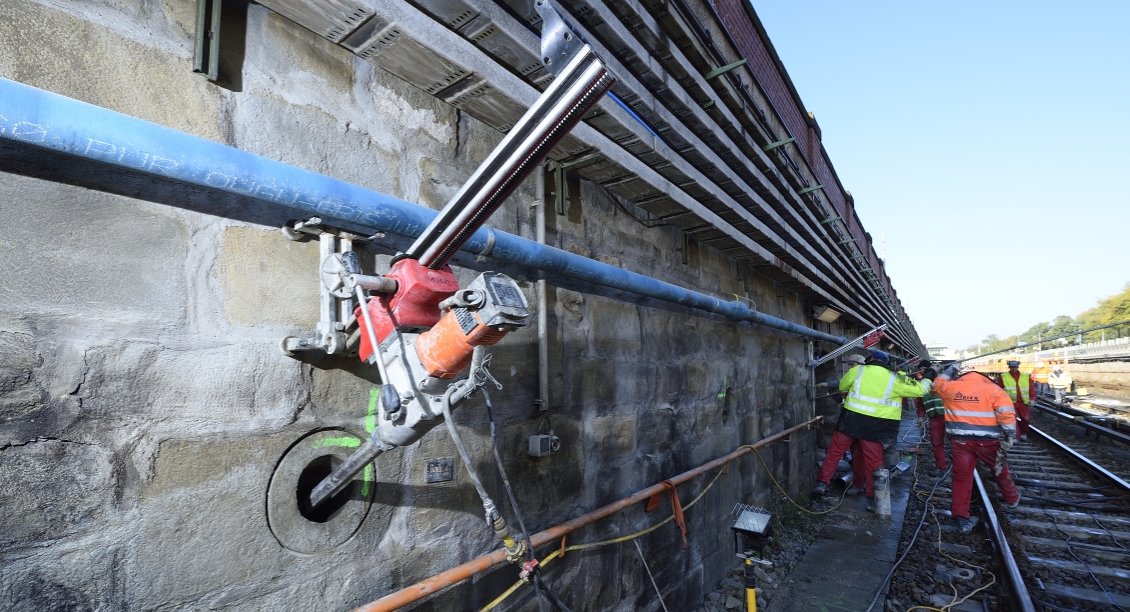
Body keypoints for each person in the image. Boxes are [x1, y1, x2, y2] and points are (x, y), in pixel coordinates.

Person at [812, 350, 925, 512]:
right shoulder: (896, 377)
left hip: (850, 421)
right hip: (875, 427)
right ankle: (873, 499)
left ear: (870, 359)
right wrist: (928, 376)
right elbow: (920, 390)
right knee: (874, 463)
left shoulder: (857, 371)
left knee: (834, 454)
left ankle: (822, 483)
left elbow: (843, 386)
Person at [932, 365, 1021, 533]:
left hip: (961, 442)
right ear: (983, 377)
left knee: (961, 478)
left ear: (963, 377)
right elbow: (1006, 414)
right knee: (1000, 470)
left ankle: (961, 517)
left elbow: (936, 384)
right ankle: (1012, 499)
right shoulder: (993, 389)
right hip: (988, 443)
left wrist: (948, 372)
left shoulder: (951, 387)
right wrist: (1009, 435)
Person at [914, 368, 947, 474]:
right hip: (935, 419)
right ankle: (941, 466)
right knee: (936, 443)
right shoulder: (922, 389)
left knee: (957, 443)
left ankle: (957, 466)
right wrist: (920, 417)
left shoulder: (944, 385)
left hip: (949, 417)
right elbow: (920, 405)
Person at [996, 360, 1035, 441]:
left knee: (1026, 419)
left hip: (1023, 402)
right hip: (1010, 403)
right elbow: (999, 390)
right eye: (1012, 367)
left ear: (1018, 367)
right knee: (1013, 420)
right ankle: (1015, 436)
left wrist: (1032, 398)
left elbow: (1031, 388)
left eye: (1015, 367)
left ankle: (1023, 433)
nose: (1014, 368)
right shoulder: (1003, 376)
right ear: (1009, 367)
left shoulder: (1026, 376)